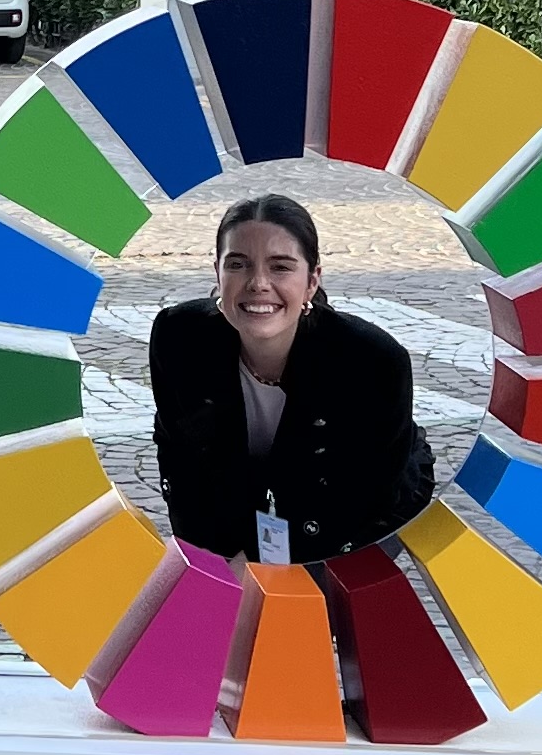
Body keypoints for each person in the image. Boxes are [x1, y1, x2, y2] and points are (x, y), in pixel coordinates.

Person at [147, 195, 432, 567]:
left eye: (281, 267)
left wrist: (267, 564)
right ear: (217, 273)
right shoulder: (178, 337)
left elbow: (365, 496)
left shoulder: (372, 361)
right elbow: (182, 462)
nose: (258, 283)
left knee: (317, 610)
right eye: (238, 264)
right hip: (242, 499)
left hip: (359, 514)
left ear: (312, 281)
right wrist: (216, 564)